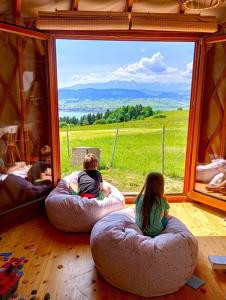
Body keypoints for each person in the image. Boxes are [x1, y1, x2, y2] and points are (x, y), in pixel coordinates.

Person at [135, 172, 171, 238]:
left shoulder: (139, 198)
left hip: (140, 229)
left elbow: (136, 212)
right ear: (161, 186)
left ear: (146, 184)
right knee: (167, 218)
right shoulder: (162, 200)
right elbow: (166, 215)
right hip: (156, 232)